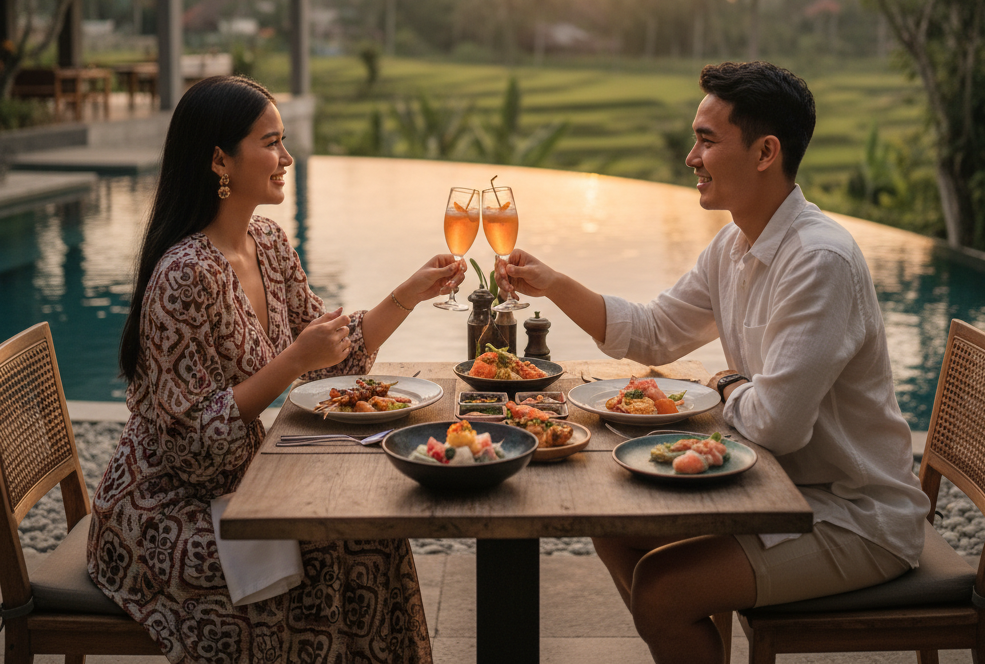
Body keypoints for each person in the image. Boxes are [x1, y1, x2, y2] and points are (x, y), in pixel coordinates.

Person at [496, 61, 930, 664]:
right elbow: (653, 332)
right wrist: (552, 283)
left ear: (764, 152)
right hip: (770, 487)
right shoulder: (735, 244)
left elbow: (777, 424)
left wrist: (724, 382)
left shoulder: (819, 261)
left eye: (706, 140)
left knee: (663, 588)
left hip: (850, 514)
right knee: (614, 527)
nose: (690, 157)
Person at [88, 75, 464, 664]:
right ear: (220, 159)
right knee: (334, 551)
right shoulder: (185, 274)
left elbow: (333, 356)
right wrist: (291, 363)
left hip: (243, 482)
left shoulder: (266, 241)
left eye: (284, 141)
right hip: (166, 513)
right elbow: (192, 446)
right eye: (271, 142)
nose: (287, 157)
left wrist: (409, 294)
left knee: (374, 534)